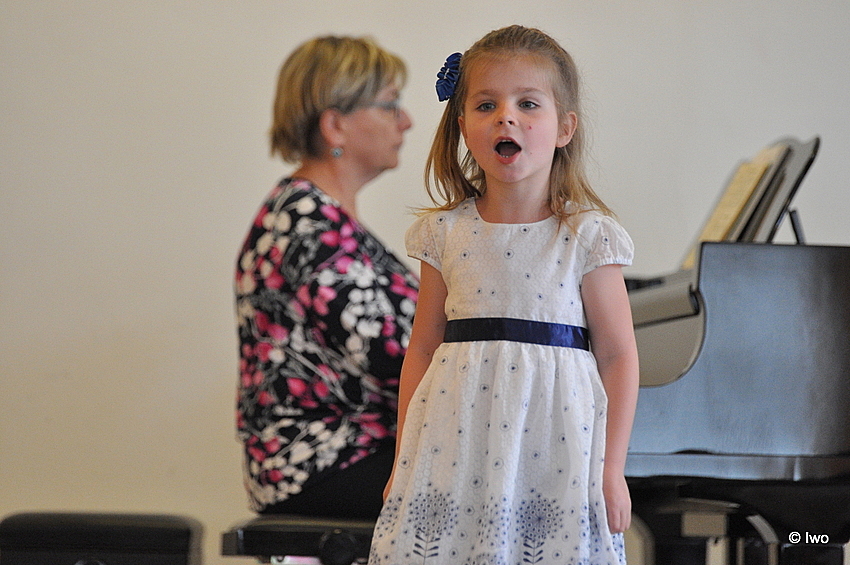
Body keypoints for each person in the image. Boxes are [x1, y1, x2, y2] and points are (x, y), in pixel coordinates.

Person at [368, 25, 639, 564]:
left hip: (555, 454)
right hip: (455, 445)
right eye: (486, 104)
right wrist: (404, 459)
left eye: (527, 104)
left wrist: (612, 470)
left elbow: (618, 355)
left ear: (564, 128)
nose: (505, 117)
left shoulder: (588, 237)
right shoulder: (444, 233)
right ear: (462, 126)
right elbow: (423, 348)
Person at [235, 35, 419, 520]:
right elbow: (390, 355)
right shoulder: (306, 221)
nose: (406, 121)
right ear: (335, 125)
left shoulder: (322, 217)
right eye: (390, 105)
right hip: (324, 461)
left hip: (353, 452)